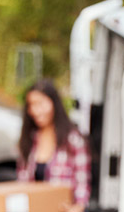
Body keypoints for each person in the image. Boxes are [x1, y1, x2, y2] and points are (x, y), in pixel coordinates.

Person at [18, 79, 89, 211]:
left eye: (40, 104)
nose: (36, 111)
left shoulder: (73, 140)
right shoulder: (28, 139)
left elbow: (82, 186)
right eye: (31, 105)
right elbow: (22, 183)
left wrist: (77, 207)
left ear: (54, 103)